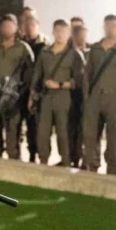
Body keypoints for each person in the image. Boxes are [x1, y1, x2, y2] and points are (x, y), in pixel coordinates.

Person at [82, 14, 116, 174]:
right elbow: (87, 73)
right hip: (95, 98)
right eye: (107, 25)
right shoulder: (95, 48)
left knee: (115, 138)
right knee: (91, 135)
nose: (109, 28)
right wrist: (87, 95)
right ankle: (92, 165)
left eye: (113, 25)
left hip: (115, 99)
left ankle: (113, 169)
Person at [31, 19, 85, 166]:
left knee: (64, 133)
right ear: (53, 32)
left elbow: (79, 80)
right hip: (46, 97)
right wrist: (32, 95)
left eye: (64, 31)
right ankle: (43, 160)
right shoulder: (45, 52)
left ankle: (66, 161)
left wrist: (60, 84)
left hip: (64, 98)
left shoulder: (75, 54)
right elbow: (37, 75)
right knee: (43, 132)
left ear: (68, 34)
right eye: (58, 31)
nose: (60, 34)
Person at [0, 14, 35, 159]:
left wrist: (21, 93)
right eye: (4, 26)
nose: (6, 28)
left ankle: (13, 162)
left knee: (13, 133)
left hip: (14, 98)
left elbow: (30, 74)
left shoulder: (23, 49)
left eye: (10, 25)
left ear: (16, 28)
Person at [21, 13, 50, 163]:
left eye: (32, 25)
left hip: (37, 90)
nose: (29, 28)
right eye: (26, 25)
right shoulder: (20, 44)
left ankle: (35, 153)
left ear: (38, 27)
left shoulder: (45, 46)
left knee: (35, 125)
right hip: (21, 89)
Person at [69, 23, 91, 167]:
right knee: (70, 128)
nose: (80, 38)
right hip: (71, 95)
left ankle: (84, 159)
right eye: (77, 35)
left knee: (84, 130)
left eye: (83, 35)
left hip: (86, 97)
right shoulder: (69, 53)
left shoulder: (91, 52)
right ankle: (72, 157)